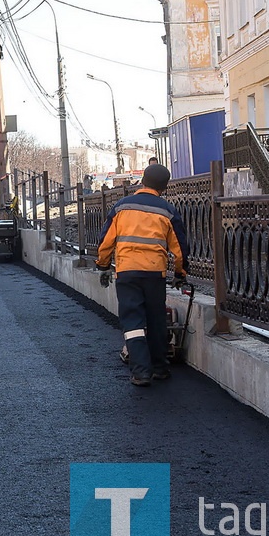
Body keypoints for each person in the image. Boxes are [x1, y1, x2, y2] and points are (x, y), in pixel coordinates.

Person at [96, 163, 189, 387]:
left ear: (143, 181)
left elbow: (106, 240)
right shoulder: (167, 210)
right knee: (156, 319)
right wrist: (179, 273)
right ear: (164, 188)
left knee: (133, 322)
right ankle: (160, 368)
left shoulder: (121, 207)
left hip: (127, 272)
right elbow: (179, 247)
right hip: (154, 274)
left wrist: (103, 265)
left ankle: (141, 372)